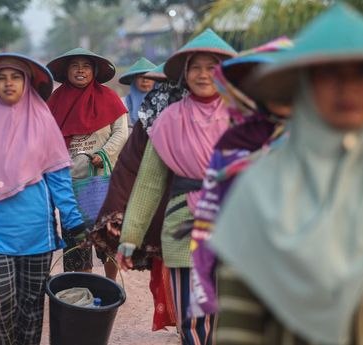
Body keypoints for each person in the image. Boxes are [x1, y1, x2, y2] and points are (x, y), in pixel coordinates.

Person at [210, 4, 363, 344]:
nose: (347, 88)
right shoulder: (259, 189)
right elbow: (239, 322)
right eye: (328, 74)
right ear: (303, 86)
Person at [0, 53, 87, 345]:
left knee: (31, 310)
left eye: (16, 77)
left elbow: (59, 181)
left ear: (27, 83)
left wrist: (75, 223)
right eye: (1, 77)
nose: (8, 83)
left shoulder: (44, 124)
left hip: (37, 233)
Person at [116, 29, 237, 345]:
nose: (202, 74)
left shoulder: (241, 116)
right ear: (184, 74)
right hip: (184, 227)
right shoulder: (169, 119)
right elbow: (149, 183)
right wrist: (130, 236)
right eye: (195, 67)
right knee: (193, 321)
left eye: (211, 67)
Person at [190, 38, 293, 317]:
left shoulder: (328, 139)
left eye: (290, 80)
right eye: (271, 81)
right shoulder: (235, 140)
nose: (281, 90)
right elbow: (210, 211)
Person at [90, 62, 188, 332]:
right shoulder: (157, 112)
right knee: (179, 278)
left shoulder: (227, 117)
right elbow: (146, 180)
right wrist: (128, 232)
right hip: (166, 203)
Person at [47, 47, 129, 272]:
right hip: (69, 181)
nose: (80, 70)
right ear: (66, 71)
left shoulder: (109, 97)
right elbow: (47, 137)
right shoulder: (55, 100)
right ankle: (84, 291)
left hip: (104, 180)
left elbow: (121, 132)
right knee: (76, 241)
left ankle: (112, 288)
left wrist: (103, 155)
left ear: (94, 71)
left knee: (109, 238)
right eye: (75, 66)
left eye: (85, 66)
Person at [119, 57, 157, 128]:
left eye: (149, 76)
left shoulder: (163, 104)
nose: (145, 80)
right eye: (140, 77)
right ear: (134, 80)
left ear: (155, 80)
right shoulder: (122, 104)